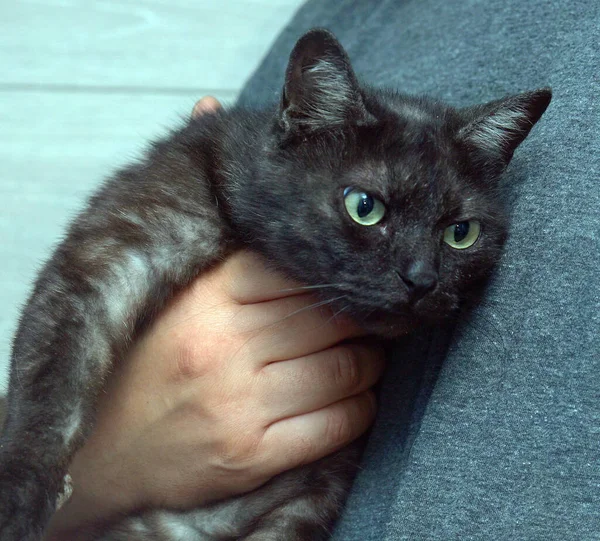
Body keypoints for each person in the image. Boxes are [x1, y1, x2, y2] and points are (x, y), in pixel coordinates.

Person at [50, 0, 600, 538]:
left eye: (458, 234)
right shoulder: (350, 13)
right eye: (368, 211)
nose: (421, 275)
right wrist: (93, 472)